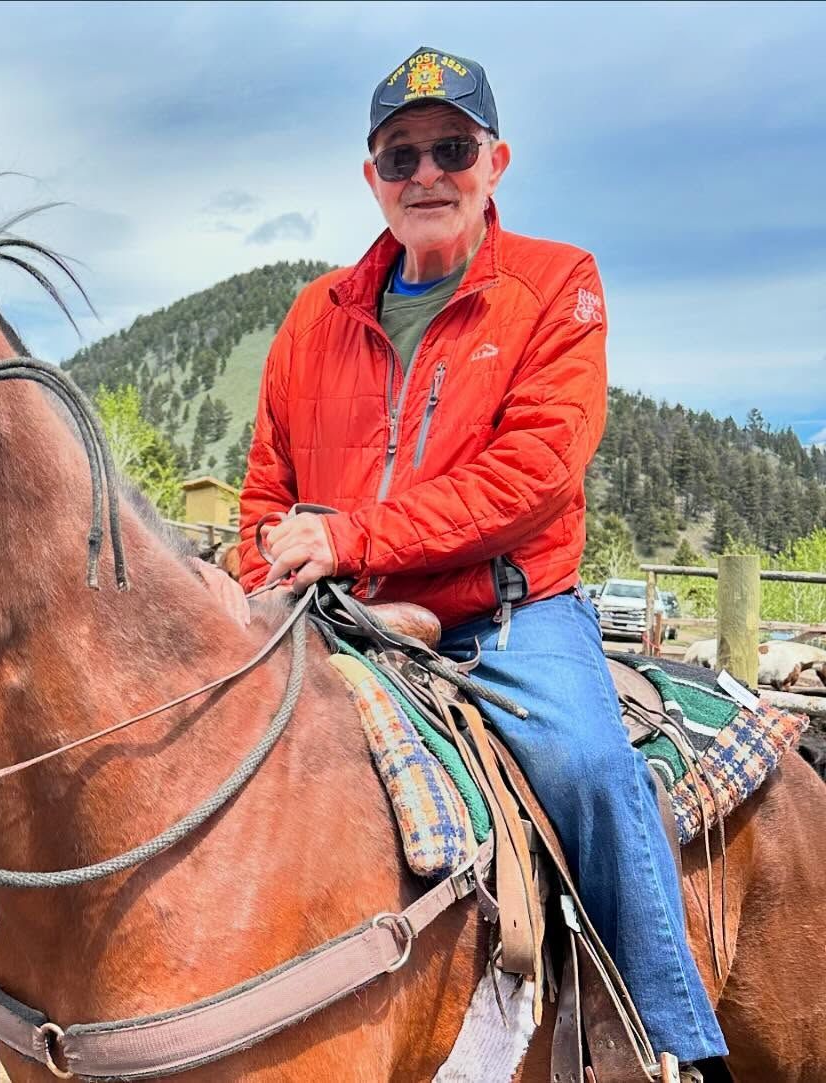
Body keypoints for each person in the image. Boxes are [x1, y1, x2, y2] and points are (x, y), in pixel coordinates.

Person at [206, 46, 727, 1069]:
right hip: (335, 610)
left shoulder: (556, 284)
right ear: (372, 180)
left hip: (505, 615)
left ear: (496, 163)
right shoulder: (316, 314)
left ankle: (670, 1037)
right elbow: (268, 481)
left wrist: (351, 537)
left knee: (584, 766)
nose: (426, 174)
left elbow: (533, 471)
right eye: (401, 157)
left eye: (452, 148)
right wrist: (258, 578)